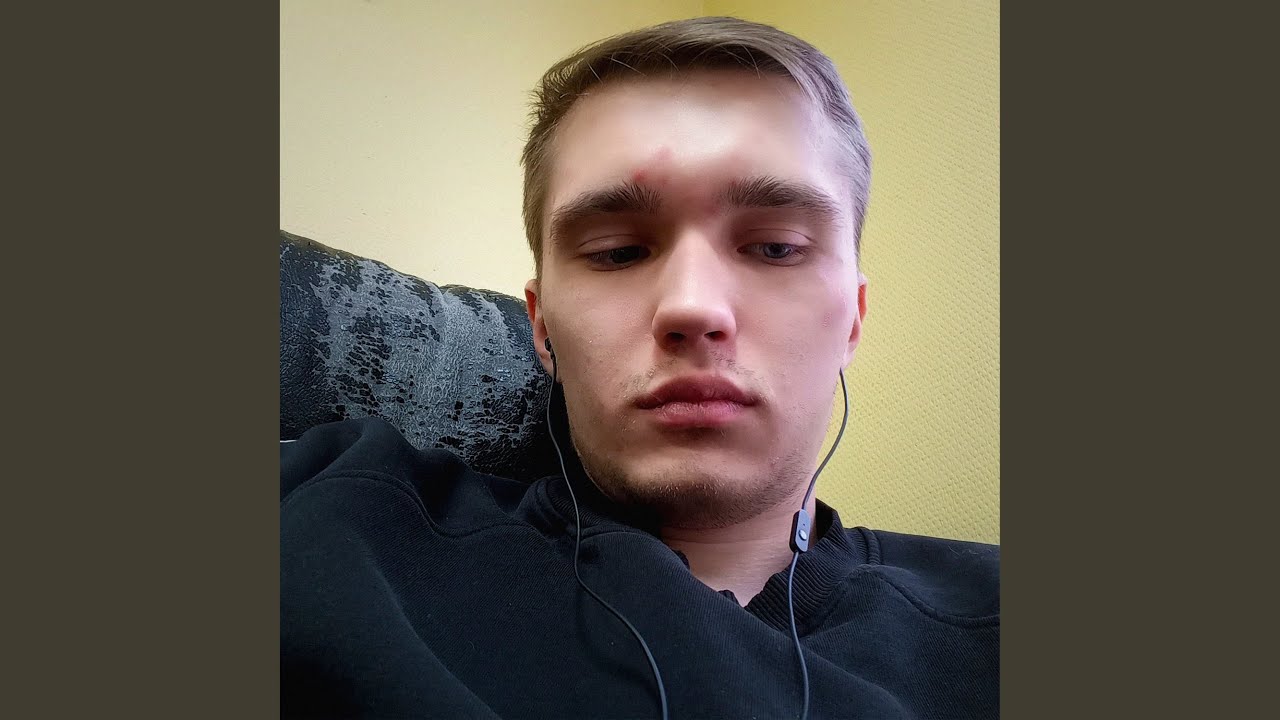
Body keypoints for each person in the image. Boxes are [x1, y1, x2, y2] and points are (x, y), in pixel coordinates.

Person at [281, 16, 998, 720]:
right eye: (618, 252)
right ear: (541, 326)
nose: (692, 307)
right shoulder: (337, 525)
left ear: (853, 321)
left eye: (776, 247)